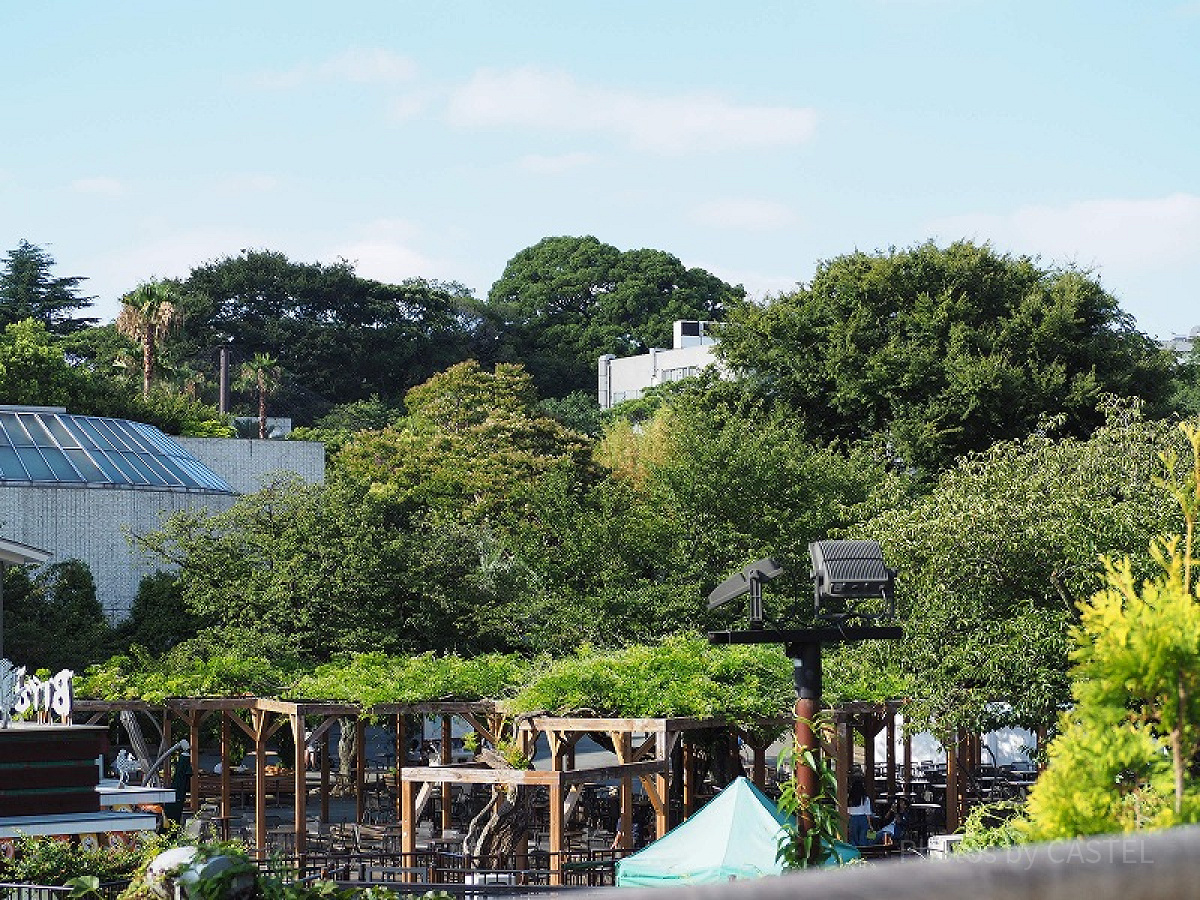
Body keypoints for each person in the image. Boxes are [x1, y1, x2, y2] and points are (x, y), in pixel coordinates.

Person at [846, 778, 873, 847]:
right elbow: (868, 813)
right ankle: (863, 853)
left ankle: (854, 854)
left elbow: (847, 812)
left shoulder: (849, 798)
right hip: (862, 818)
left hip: (852, 818)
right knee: (863, 838)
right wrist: (870, 824)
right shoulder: (865, 799)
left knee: (853, 838)